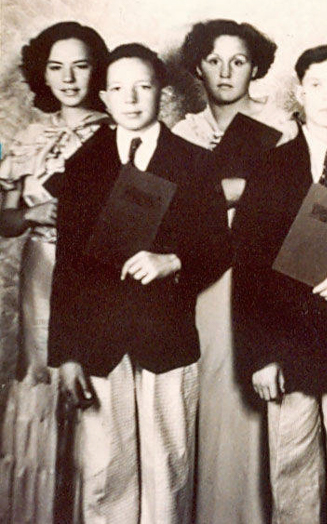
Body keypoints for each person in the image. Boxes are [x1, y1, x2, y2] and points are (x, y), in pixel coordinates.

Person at [48, 43, 231, 524]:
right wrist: (66, 353)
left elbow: (219, 247)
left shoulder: (194, 162)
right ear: (104, 97)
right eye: (119, 89)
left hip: (165, 337)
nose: (131, 99)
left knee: (168, 467)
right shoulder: (82, 167)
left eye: (143, 87)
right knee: (106, 471)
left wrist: (173, 260)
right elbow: (66, 265)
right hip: (98, 344)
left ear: (161, 93)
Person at [232, 44, 327, 524]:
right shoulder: (272, 167)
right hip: (287, 342)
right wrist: (259, 354)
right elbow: (250, 269)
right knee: (291, 470)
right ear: (300, 91)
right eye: (317, 85)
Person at [172, 18, 296, 524]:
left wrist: (226, 192)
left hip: (260, 274)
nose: (226, 72)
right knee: (207, 391)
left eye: (239, 61)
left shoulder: (282, 126)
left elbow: (295, 201)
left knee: (253, 388)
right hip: (200, 277)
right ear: (198, 65)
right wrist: (240, 189)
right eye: (215, 60)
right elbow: (169, 210)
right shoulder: (182, 132)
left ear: (256, 68)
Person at [0, 21, 108, 524]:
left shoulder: (115, 130)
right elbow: (5, 221)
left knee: (93, 385)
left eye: (81, 65)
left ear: (97, 71)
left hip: (94, 275)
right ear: (43, 73)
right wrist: (30, 215)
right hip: (40, 272)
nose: (69, 78)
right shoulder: (28, 137)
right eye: (56, 67)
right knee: (41, 380)